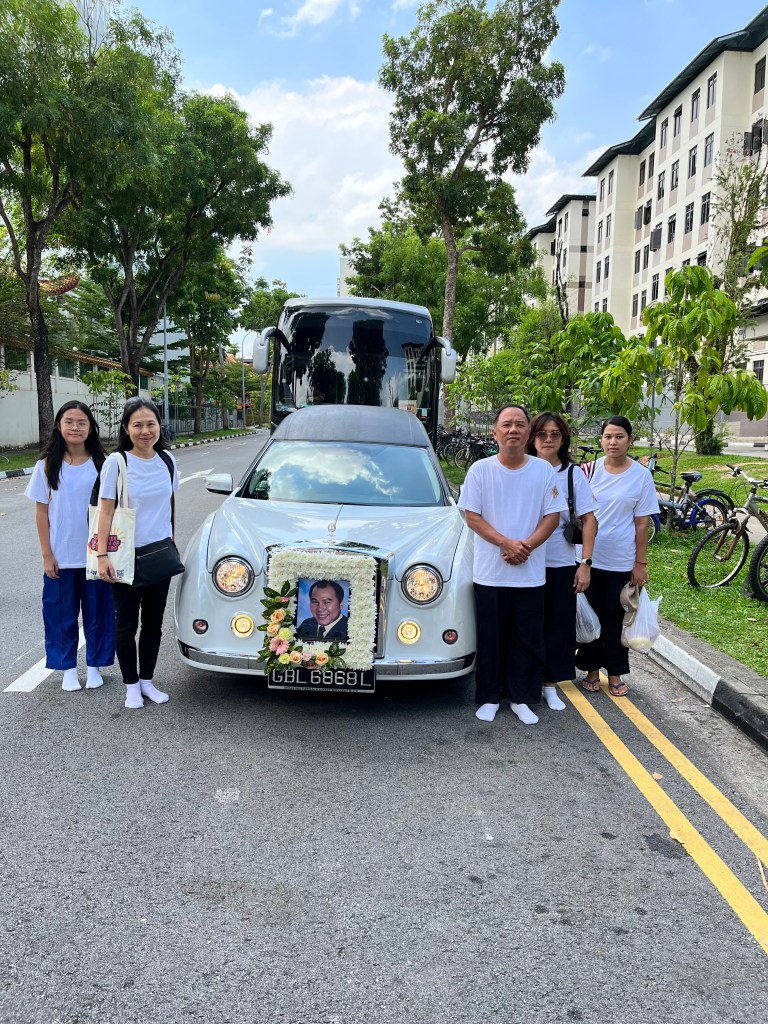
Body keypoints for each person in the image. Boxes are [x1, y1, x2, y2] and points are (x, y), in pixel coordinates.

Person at [458, 404, 568, 725]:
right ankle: (490, 696)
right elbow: (472, 516)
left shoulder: (543, 471)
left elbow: (552, 515)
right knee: (491, 637)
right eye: (506, 424)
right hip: (490, 573)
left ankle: (522, 698)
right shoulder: (480, 470)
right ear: (495, 433)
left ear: (527, 433)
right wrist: (506, 543)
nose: (513, 430)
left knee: (527, 637)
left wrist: (527, 546)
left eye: (520, 424)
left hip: (530, 575)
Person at [25, 401, 115, 691]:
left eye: (81, 422)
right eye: (69, 422)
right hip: (61, 557)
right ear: (59, 426)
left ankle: (94, 667)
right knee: (60, 615)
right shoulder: (46, 466)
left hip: (96, 557)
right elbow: (41, 513)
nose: (75, 427)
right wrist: (47, 555)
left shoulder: (104, 464)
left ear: (91, 428)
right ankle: (66, 671)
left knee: (99, 612)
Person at [96, 397, 179, 710]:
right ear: (126, 428)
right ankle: (131, 685)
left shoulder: (168, 461)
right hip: (125, 556)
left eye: (151, 424)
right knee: (126, 625)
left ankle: (147, 681)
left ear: (159, 426)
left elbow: (170, 506)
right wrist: (102, 555)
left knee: (154, 624)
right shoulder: (117, 463)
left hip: (159, 554)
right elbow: (105, 512)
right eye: (138, 425)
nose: (146, 431)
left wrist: (172, 540)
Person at [575, 416, 660, 697]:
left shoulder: (641, 475)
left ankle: (614, 673)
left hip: (620, 559)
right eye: (608, 436)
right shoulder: (587, 471)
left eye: (619, 436)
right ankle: (589, 670)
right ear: (601, 440)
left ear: (630, 440)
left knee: (616, 618)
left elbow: (641, 523)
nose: (613, 442)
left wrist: (641, 563)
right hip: (587, 559)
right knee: (590, 617)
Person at [527, 412, 599, 711]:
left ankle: (550, 685)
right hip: (523, 563)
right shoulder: (522, 469)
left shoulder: (572, 474)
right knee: (526, 627)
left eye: (555, 434)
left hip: (560, 563)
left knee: (558, 627)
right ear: (532, 437)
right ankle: (525, 683)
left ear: (563, 439)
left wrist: (586, 563)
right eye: (542, 433)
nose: (548, 439)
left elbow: (589, 519)